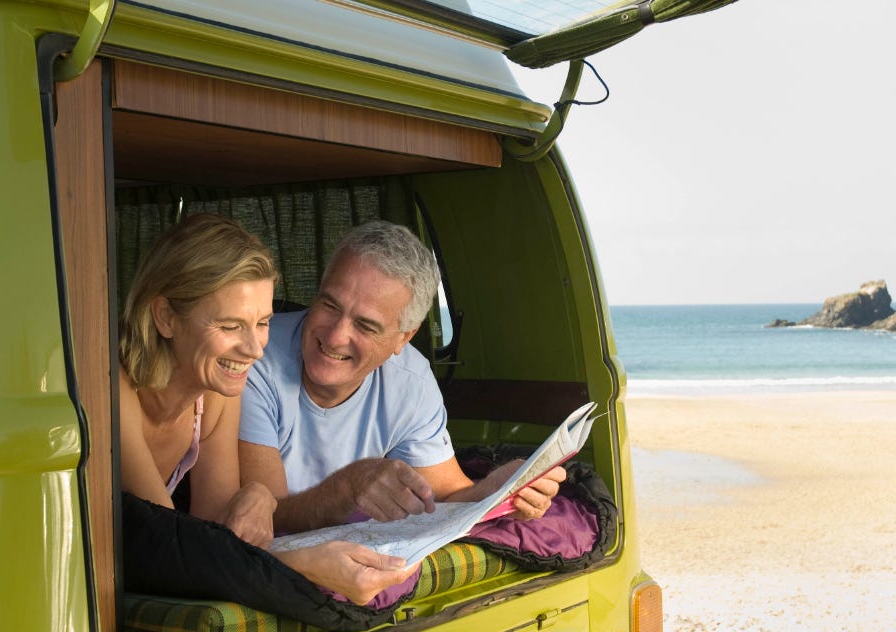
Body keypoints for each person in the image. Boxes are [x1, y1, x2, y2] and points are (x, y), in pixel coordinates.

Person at [118, 213, 415, 605]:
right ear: (166, 317)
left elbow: (214, 529)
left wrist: (259, 494)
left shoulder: (216, 396)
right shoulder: (112, 387)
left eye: (262, 323)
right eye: (229, 326)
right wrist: (301, 563)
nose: (256, 349)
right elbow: (172, 546)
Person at [238, 220, 563, 533]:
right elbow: (267, 518)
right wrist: (349, 485)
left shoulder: (412, 382)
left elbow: (447, 497)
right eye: (330, 306)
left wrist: (496, 490)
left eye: (365, 325)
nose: (336, 336)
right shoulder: (253, 356)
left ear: (402, 338)